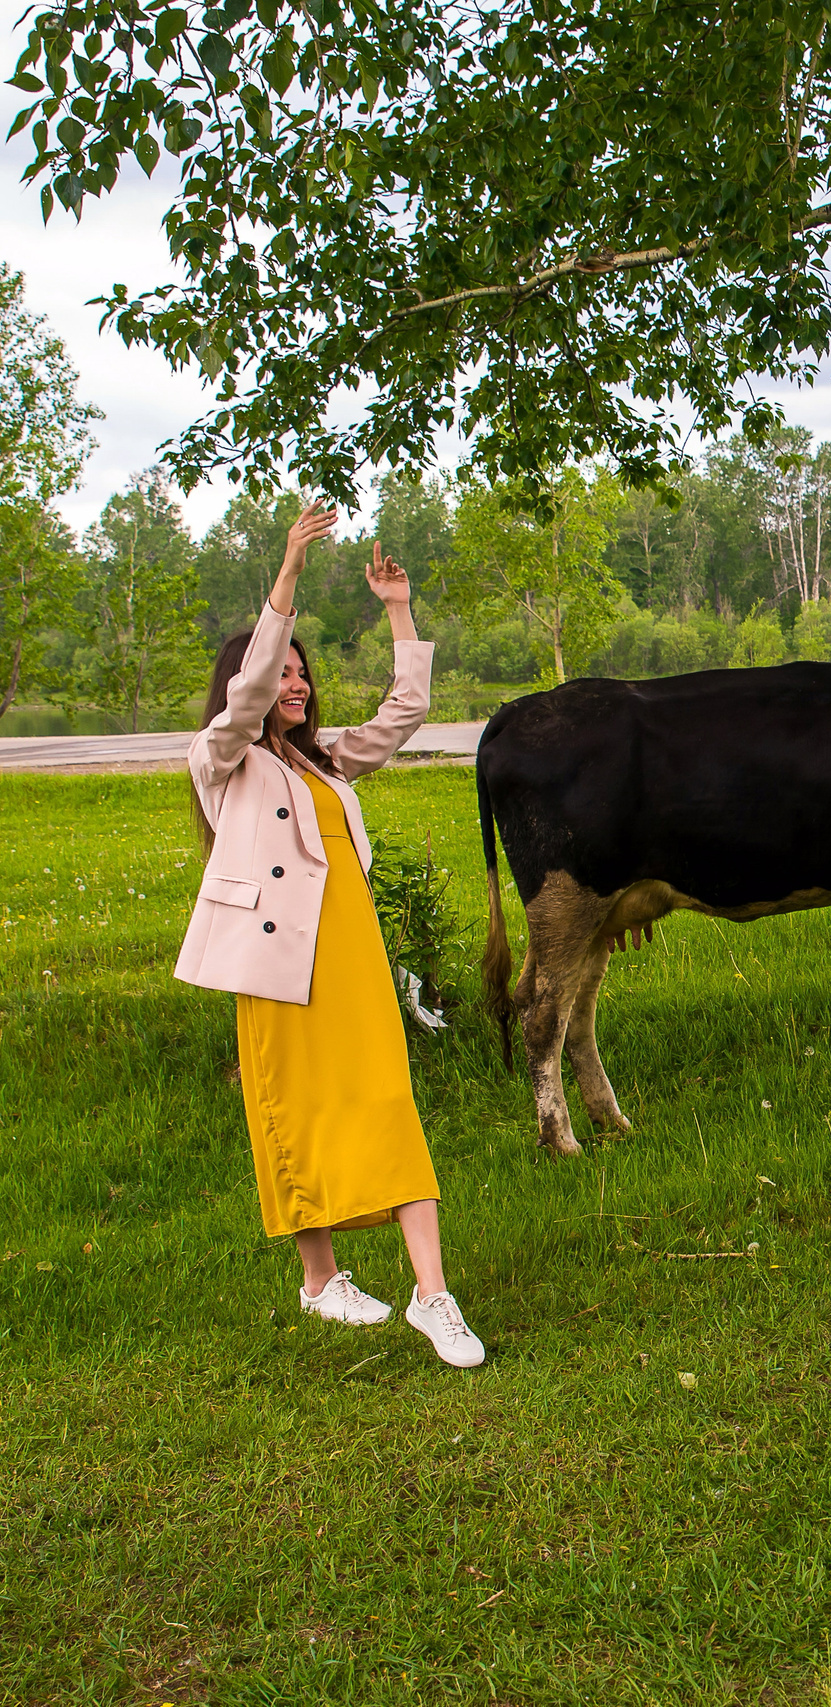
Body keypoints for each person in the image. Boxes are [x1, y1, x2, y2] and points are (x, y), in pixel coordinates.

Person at [175, 502, 486, 1369]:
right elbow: (244, 698)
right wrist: (288, 576)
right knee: (298, 1116)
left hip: (351, 959)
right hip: (278, 966)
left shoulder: (322, 759)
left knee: (391, 1105)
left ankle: (434, 1295)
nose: (296, 685)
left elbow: (405, 710)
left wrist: (397, 609)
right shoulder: (222, 756)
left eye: (303, 674)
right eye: (283, 674)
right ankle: (321, 1282)